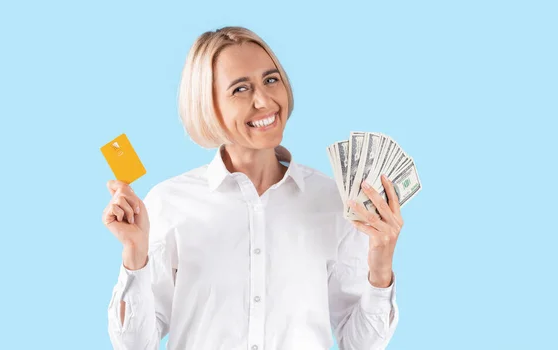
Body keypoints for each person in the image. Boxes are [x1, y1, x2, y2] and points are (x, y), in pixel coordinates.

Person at [104, 26, 403, 350]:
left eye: (271, 80)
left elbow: (360, 344)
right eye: (240, 89)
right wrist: (134, 256)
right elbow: (135, 346)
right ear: (208, 104)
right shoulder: (169, 202)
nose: (264, 100)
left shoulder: (333, 202)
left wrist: (381, 266)